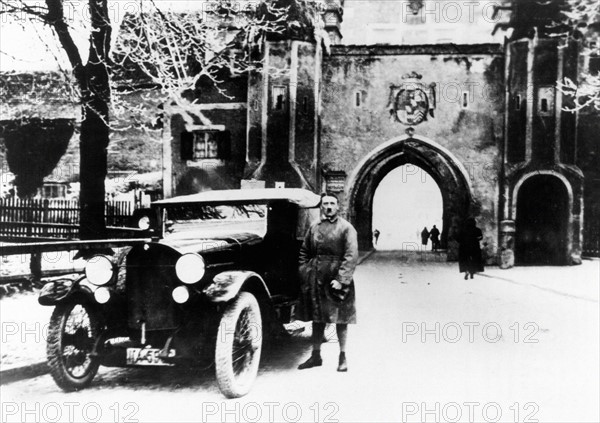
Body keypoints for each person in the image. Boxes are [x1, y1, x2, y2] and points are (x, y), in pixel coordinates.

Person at [297, 193, 358, 372]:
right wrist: (304, 272)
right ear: (321, 207)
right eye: (326, 204)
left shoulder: (346, 228)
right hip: (316, 278)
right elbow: (304, 252)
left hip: (336, 279)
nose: (329, 207)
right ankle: (316, 356)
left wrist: (341, 280)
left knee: (341, 319)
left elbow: (351, 256)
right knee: (317, 318)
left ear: (338, 207)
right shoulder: (314, 227)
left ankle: (342, 357)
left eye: (332, 203)